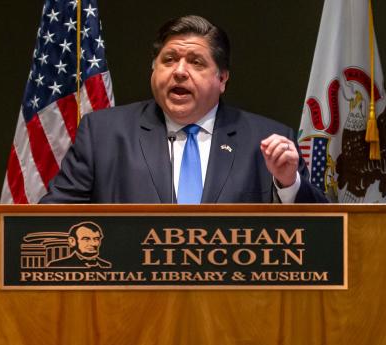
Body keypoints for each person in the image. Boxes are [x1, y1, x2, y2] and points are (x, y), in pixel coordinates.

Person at [40, 15, 327, 204]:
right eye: (169, 59)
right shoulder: (103, 134)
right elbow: (49, 220)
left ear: (222, 79)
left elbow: (322, 235)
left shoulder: (265, 138)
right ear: (154, 70)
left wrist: (289, 183)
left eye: (196, 62)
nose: (179, 71)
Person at [48, 221, 112, 268]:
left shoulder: (106, 266)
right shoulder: (56, 266)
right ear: (72, 241)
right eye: (86, 239)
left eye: (96, 239)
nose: (93, 243)